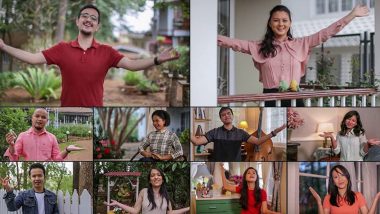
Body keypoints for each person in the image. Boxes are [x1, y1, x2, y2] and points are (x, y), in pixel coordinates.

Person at [0, 4, 180, 107]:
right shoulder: (62, 49)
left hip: (95, 111)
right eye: (84, 16)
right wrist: (4, 46)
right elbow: (32, 58)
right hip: (67, 111)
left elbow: (132, 64)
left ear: (97, 26)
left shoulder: (107, 52)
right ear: (77, 21)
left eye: (93, 18)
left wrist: (157, 59)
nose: (88, 19)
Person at [217, 4, 369, 107]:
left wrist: (352, 15)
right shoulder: (259, 46)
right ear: (270, 23)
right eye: (276, 20)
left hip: (295, 99)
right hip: (270, 99)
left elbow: (327, 32)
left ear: (290, 23)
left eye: (284, 20)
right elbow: (234, 43)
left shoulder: (303, 43)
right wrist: (211, 37)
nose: (280, 24)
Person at [190, 107, 286, 161]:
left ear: (232, 116)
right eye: (223, 115)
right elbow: (196, 142)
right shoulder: (214, 132)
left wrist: (274, 132)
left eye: (228, 113)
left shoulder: (241, 133)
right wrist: (187, 131)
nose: (226, 116)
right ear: (221, 119)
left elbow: (257, 141)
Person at [4, 108, 83, 161]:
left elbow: (56, 158)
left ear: (47, 120)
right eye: (37, 116)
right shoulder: (22, 136)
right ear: (32, 118)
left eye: (43, 117)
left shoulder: (52, 138)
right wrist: (11, 145)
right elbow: (14, 158)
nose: (40, 119)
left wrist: (67, 150)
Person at [104, 167, 189, 214]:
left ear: (162, 179)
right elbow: (135, 210)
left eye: (158, 175)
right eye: (152, 175)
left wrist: (188, 208)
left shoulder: (166, 195)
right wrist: (118, 203)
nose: (156, 177)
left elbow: (170, 213)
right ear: (149, 180)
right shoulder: (144, 192)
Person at [309, 165, 380, 214]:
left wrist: (376, 198)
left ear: (347, 178)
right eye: (336, 177)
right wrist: (319, 202)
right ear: (333, 182)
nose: (340, 179)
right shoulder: (328, 198)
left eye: (342, 175)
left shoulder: (358, 195)